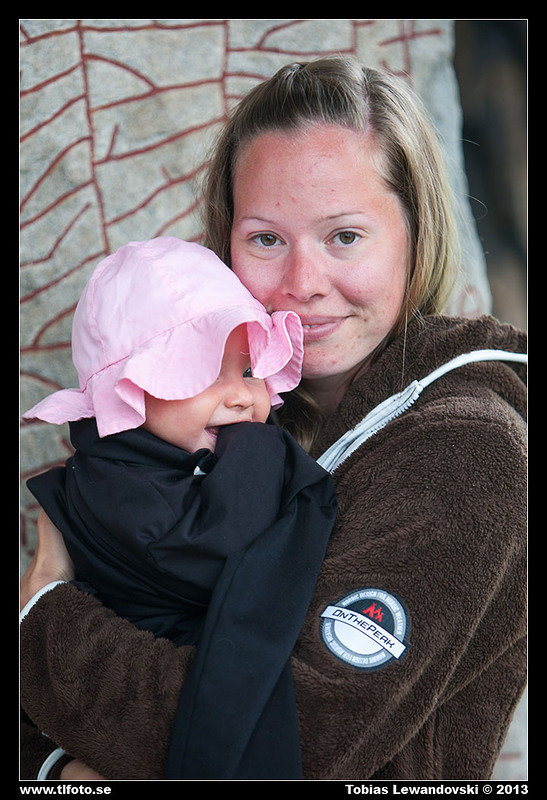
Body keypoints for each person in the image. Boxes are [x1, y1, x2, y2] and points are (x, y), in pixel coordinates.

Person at [20, 55, 527, 781]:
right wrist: (56, 770)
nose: (301, 285)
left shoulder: (469, 451)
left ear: (416, 235)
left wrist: (44, 615)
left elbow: (292, 739)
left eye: (344, 236)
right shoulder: (217, 416)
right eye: (266, 239)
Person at [21, 236, 337, 779]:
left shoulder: (173, 457)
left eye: (250, 372)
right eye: (204, 373)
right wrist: (264, 449)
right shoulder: (114, 480)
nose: (242, 396)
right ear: (130, 390)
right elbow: (214, 551)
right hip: (141, 701)